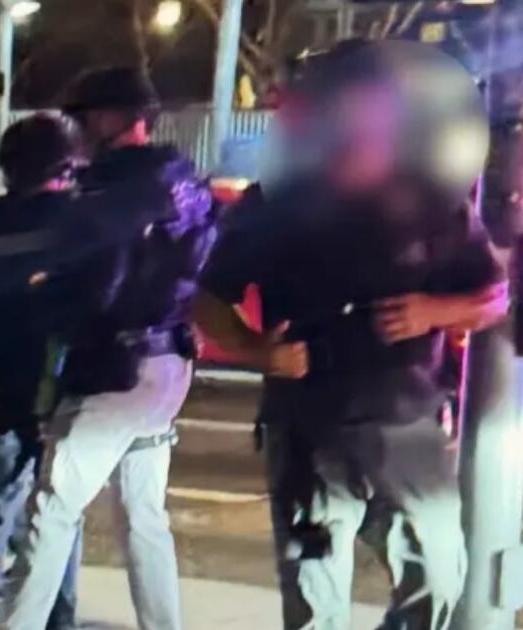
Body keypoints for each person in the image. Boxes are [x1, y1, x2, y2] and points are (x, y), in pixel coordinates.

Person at [192, 42, 507, 630]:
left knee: (439, 578)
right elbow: (208, 297)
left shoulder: (433, 200)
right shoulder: (276, 203)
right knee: (315, 601)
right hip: (309, 431)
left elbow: (492, 296)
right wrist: (257, 351)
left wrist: (433, 310)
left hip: (407, 429)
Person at [0, 67, 215, 630]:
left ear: (113, 118)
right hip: (168, 359)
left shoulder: (115, 191)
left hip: (118, 366)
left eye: (84, 117)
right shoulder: (183, 180)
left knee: (51, 510)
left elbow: (95, 282)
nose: (79, 131)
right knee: (144, 516)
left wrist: (46, 298)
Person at [0, 113, 85, 630]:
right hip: (62, 384)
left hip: (5, 380)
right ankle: (58, 616)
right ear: (65, 166)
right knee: (59, 510)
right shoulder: (79, 226)